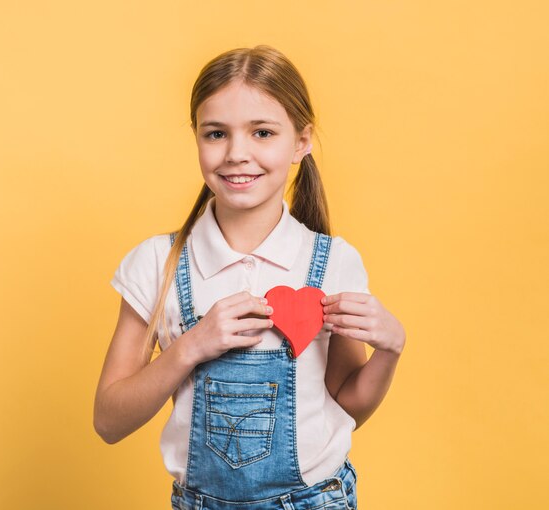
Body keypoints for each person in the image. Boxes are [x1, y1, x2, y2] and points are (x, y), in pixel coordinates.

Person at [94, 45, 406, 510]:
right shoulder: (156, 264)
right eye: (216, 133)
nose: (237, 154)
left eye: (262, 132)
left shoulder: (334, 262)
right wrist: (191, 347)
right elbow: (109, 421)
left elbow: (347, 405)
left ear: (302, 141)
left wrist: (391, 349)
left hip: (316, 501)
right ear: (196, 138)